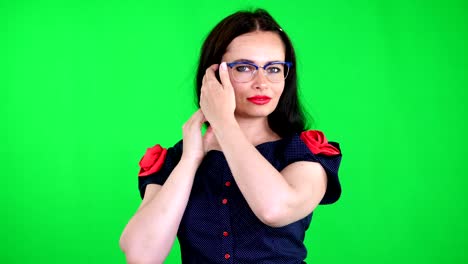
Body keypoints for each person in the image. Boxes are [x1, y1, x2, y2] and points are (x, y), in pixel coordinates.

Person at [120, 8, 342, 264]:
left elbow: (275, 209)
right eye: (245, 68)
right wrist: (191, 160)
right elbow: (141, 254)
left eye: (274, 68)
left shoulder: (303, 152)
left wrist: (223, 122)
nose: (262, 82)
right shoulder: (178, 158)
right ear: (212, 75)